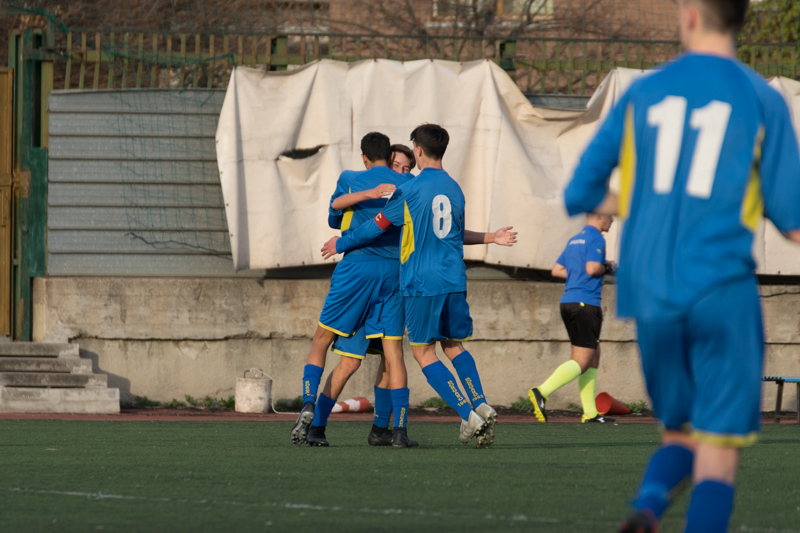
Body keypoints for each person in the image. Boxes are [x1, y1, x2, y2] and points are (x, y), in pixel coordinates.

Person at [563, 0, 800, 531]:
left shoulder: (643, 94)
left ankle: (649, 505)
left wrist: (642, 196)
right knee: (718, 450)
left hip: (650, 292)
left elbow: (580, 191)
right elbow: (793, 220)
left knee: (680, 434)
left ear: (690, 14)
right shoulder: (761, 97)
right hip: (721, 288)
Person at [321, 124, 514, 448]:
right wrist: (491, 237)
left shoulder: (410, 190)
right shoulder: (455, 189)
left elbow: (377, 227)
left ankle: (467, 413)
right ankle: (480, 402)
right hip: (455, 279)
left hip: (422, 282)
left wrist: (342, 242)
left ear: (419, 151)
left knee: (423, 353)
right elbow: (455, 234)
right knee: (453, 346)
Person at [292, 132, 412, 448]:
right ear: (390, 157)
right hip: (394, 275)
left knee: (325, 342)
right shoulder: (409, 183)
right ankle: (391, 429)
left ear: (363, 157)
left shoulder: (350, 178)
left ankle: (311, 408)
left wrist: (361, 202)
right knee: (391, 355)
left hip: (356, 270)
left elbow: (335, 219)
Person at [528, 213, 615, 424]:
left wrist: (579, 276)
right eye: (610, 216)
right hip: (586, 303)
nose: (612, 220)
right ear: (600, 216)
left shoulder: (575, 239)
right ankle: (542, 391)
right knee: (581, 361)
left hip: (569, 302)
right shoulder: (596, 238)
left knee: (593, 355)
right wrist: (608, 267)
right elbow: (593, 268)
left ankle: (590, 413)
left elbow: (557, 270)